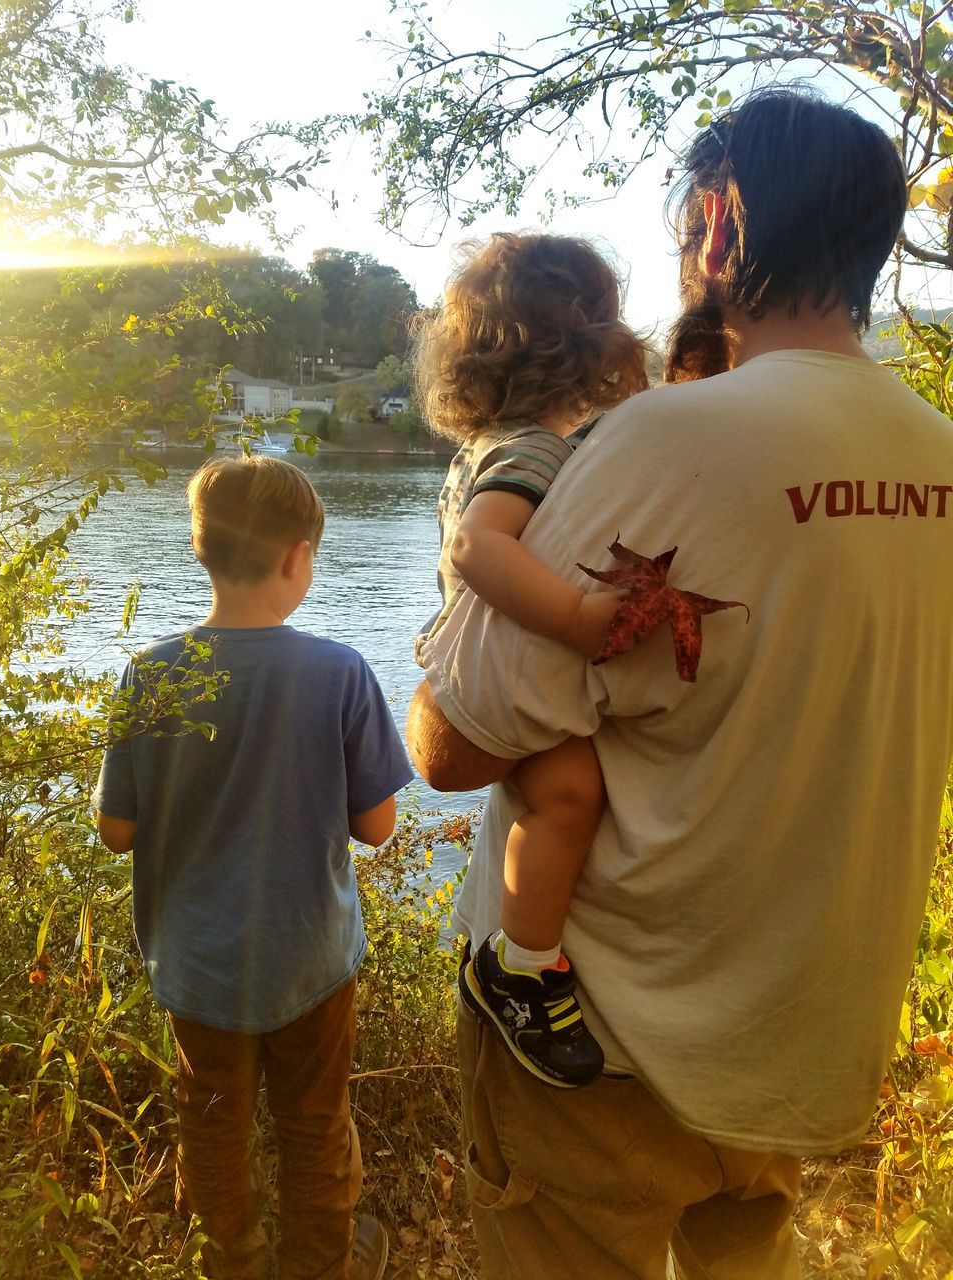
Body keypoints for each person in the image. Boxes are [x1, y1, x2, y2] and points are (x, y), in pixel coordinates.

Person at [406, 86, 953, 1280]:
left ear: (718, 222)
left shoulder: (660, 441)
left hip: (603, 1047)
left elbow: (452, 747)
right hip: (798, 1045)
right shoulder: (939, 455)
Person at [95, 456, 412, 1280]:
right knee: (314, 1123)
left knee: (211, 1120)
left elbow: (116, 831)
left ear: (202, 552)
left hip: (198, 963)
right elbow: (377, 827)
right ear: (297, 558)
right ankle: (324, 1263)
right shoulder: (340, 673)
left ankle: (231, 1261)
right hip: (310, 957)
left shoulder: (150, 674)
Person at [413, 232, 649, 1087]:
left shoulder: (488, 445)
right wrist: (583, 618)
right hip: (489, 672)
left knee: (548, 792)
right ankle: (521, 962)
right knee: (569, 793)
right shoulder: (536, 451)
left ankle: (521, 950)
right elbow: (480, 549)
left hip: (458, 659)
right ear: (589, 345)